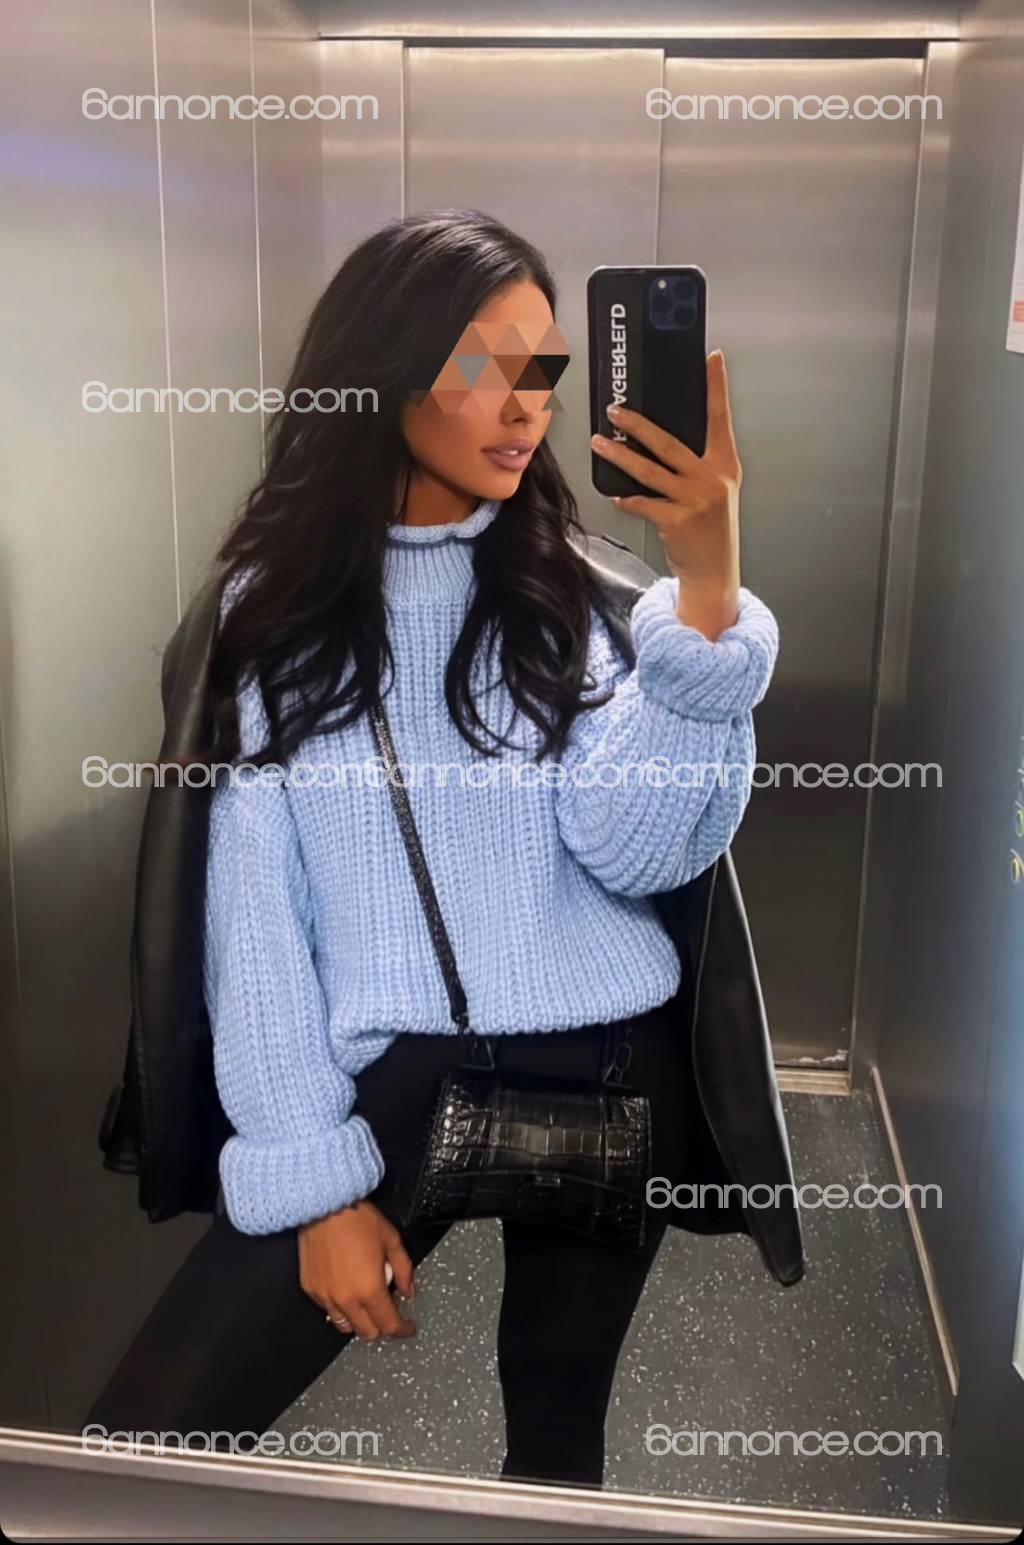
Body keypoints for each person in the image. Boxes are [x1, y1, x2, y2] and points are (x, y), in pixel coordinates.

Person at [84, 207, 779, 1489]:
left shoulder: (581, 595)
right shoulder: (266, 619)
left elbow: (637, 858)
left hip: (612, 1068)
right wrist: (315, 1187)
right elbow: (254, 926)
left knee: (557, 1455)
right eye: (482, 366)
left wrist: (705, 597)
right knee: (141, 1450)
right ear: (383, 371)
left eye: (541, 370)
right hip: (393, 1074)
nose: (523, 406)